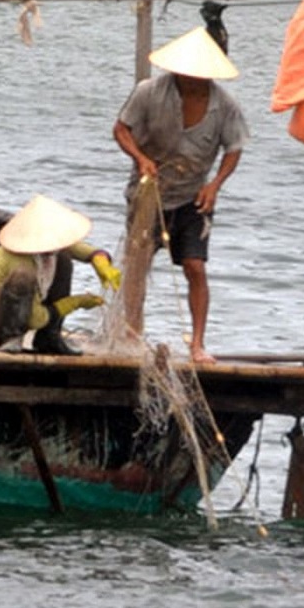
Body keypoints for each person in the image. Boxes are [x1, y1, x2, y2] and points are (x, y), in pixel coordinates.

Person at [113, 25, 249, 364]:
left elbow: (233, 148)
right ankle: (132, 333)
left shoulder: (225, 106)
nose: (193, 79)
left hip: (193, 197)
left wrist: (215, 185)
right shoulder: (149, 92)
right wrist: (141, 158)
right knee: (137, 265)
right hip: (149, 192)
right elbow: (121, 129)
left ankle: (197, 344)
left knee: (195, 266)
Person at [0, 194, 121, 354]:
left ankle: (49, 338)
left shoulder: (50, 250)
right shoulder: (20, 259)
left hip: (29, 316)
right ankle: (10, 338)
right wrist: (75, 303)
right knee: (22, 276)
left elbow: (80, 249)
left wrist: (99, 260)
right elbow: (35, 319)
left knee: (64, 260)